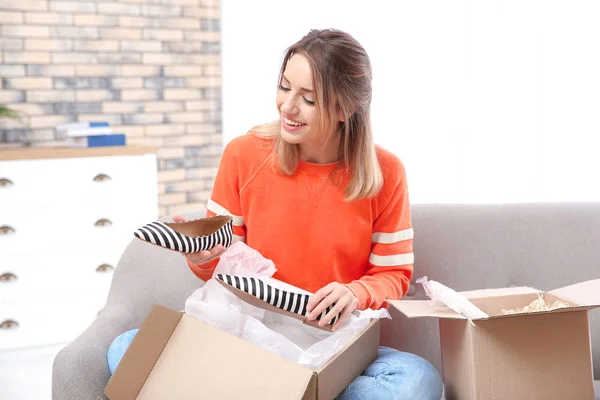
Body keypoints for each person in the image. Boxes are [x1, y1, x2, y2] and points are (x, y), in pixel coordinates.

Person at [108, 28, 443, 400]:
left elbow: (393, 274)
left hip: (332, 345)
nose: (287, 106)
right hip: (247, 335)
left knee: (416, 379)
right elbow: (222, 258)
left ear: (346, 109)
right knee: (126, 348)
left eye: (309, 99)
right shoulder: (244, 154)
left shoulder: (386, 172)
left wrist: (355, 291)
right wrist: (203, 258)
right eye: (285, 87)